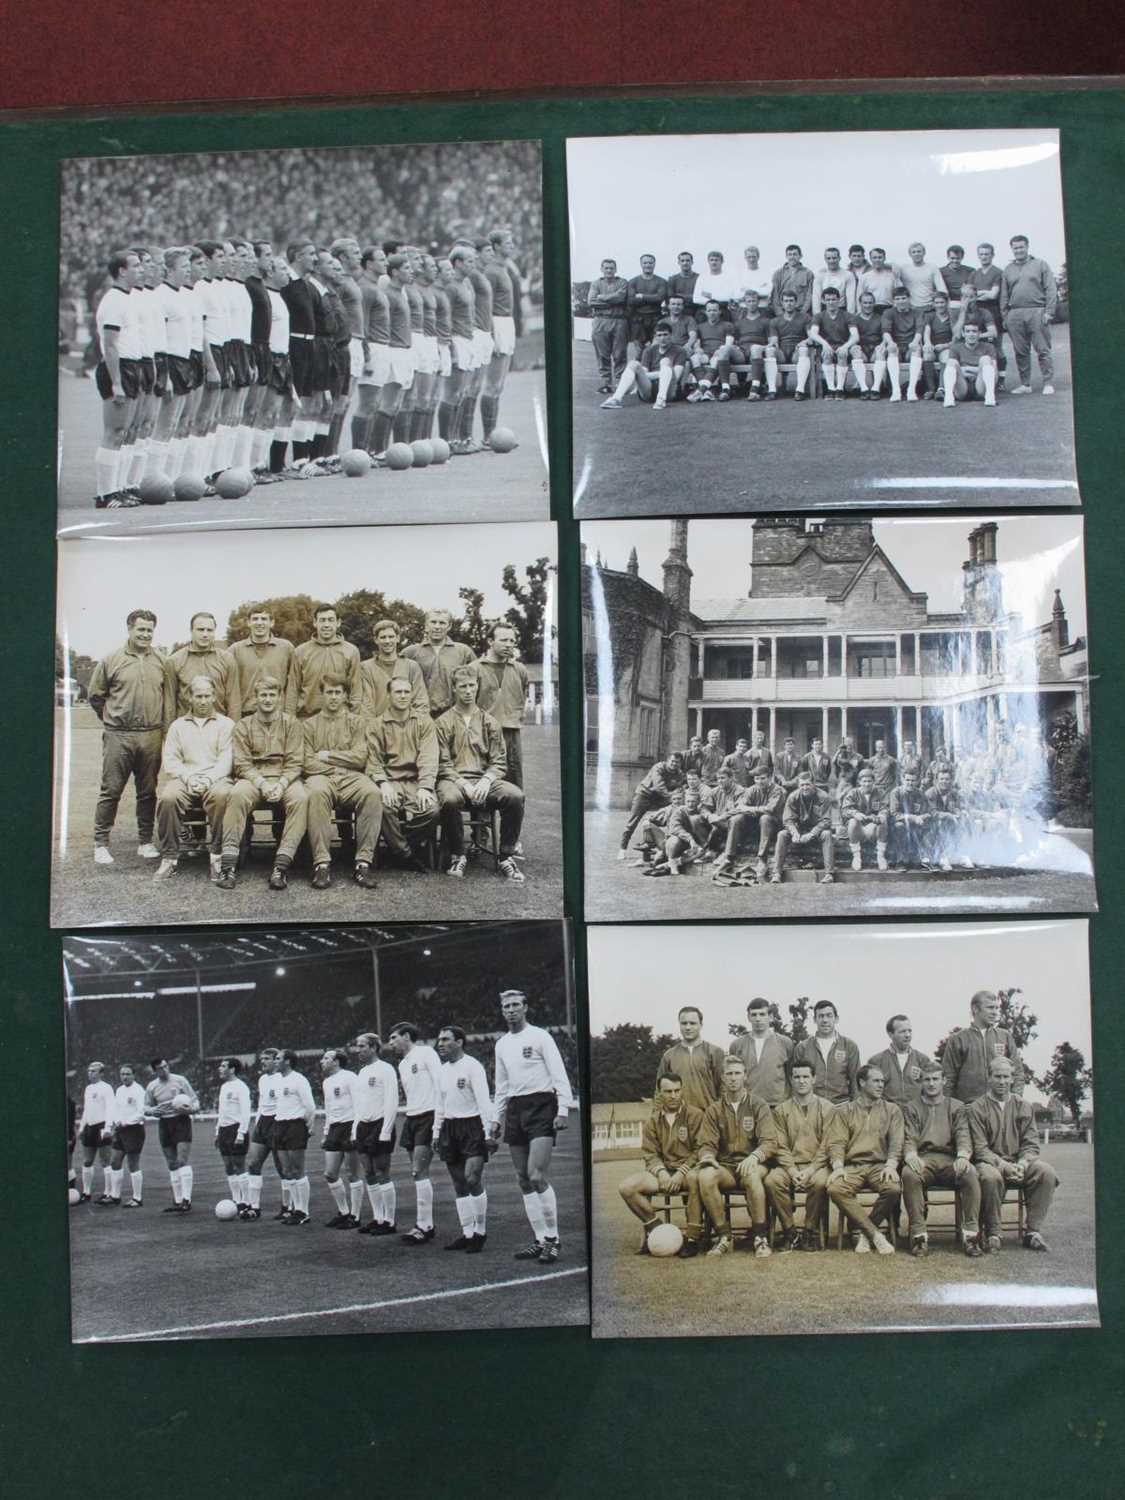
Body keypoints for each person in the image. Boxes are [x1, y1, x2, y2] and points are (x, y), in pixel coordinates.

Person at [491, 988, 574, 1265]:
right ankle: (539, 1240)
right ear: (502, 1011)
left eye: (515, 1005)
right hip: (516, 1108)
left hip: (541, 1105)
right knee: (522, 1179)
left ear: (525, 1008)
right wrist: (496, 1118)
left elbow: (558, 1074)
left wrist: (562, 1109)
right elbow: (501, 1087)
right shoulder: (501, 1044)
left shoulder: (540, 1036)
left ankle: (554, 1239)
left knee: (536, 1175)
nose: (511, 1010)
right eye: (506, 1006)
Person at [87, 608, 169, 866]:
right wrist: (113, 719)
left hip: (151, 734)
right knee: (111, 790)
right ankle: (101, 843)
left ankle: (145, 841)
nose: (145, 634)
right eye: (140, 629)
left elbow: (167, 696)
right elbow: (95, 696)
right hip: (118, 735)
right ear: (130, 629)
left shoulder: (161, 660)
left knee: (147, 791)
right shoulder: (112, 659)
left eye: (149, 630)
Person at [216, 676, 308, 891]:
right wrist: (262, 784)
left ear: (279, 697)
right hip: (253, 778)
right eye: (263, 695)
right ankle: (228, 864)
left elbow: (296, 761)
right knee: (237, 794)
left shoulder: (291, 723)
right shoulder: (243, 725)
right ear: (255, 698)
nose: (268, 699)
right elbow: (242, 763)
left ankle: (281, 865)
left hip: (285, 777)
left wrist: (282, 783)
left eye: (272, 695)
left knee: (301, 798)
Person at [435, 666, 526, 882]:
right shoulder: (442, 722)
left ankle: (505, 856)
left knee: (515, 796)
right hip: (452, 780)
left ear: (477, 687)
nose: (468, 690)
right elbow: (442, 763)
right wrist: (463, 784)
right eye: (463, 686)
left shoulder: (490, 722)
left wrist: (486, 780)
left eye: (472, 685)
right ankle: (458, 854)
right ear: (454, 689)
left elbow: (499, 761)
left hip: (485, 780)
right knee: (449, 799)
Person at [968, 1057, 1057, 1253]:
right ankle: (993, 1232)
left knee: (1046, 1172)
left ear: (1012, 1079)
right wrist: (1003, 1165)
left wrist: (1023, 1164)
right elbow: (980, 1148)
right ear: (989, 1078)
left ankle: (1032, 1231)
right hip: (990, 1162)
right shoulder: (976, 1108)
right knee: (990, 1177)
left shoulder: (1023, 1105)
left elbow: (1031, 1143)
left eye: (1006, 1077)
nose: (1002, 1081)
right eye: (997, 1076)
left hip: (1019, 1162)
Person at [302, 674, 383, 890]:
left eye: (338, 692)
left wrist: (327, 755)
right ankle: (321, 863)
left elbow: (360, 757)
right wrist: (339, 765)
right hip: (321, 777)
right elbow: (307, 762)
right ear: (322, 695)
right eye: (329, 692)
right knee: (316, 793)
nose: (334, 697)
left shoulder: (357, 722)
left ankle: (363, 863)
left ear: (345, 695)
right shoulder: (309, 725)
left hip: (352, 778)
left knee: (372, 793)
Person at [153, 675, 235, 882]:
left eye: (207, 696)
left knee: (222, 796)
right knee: (168, 798)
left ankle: (217, 856)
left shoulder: (226, 724)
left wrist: (207, 780)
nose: (203, 701)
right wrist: (189, 778)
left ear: (214, 696)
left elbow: (227, 760)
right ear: (190, 697)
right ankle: (169, 858)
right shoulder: (178, 726)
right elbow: (171, 761)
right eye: (198, 696)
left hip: (216, 778)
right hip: (185, 778)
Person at [696, 1055, 776, 1258]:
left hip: (754, 1163)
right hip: (727, 1167)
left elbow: (769, 1141)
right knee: (705, 1176)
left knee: (751, 1175)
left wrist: (755, 1157)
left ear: (745, 1076)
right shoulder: (714, 1110)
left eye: (737, 1073)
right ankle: (724, 1236)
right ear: (722, 1077)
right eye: (729, 1073)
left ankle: (760, 1237)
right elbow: (706, 1143)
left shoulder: (759, 1105)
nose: (733, 1078)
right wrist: (707, 1156)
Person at [618, 1071, 705, 1257]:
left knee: (696, 1179)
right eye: (668, 1091)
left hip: (687, 1173)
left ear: (682, 1091)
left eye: (677, 1090)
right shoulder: (652, 1120)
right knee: (627, 1187)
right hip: (663, 1174)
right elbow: (650, 1153)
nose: (673, 1096)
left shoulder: (696, 1115)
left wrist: (681, 1172)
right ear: (659, 1093)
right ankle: (658, 1229)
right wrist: (663, 1173)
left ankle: (692, 1239)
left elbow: (700, 1150)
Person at [901, 1063, 983, 1258]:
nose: (931, 1084)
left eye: (935, 1079)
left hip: (950, 1159)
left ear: (944, 1081)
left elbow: (963, 1133)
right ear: (921, 1082)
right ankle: (919, 1236)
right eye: (927, 1080)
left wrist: (963, 1155)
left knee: (970, 1173)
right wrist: (911, 1155)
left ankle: (971, 1236)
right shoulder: (911, 1107)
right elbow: (909, 1136)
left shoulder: (957, 1106)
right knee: (909, 1174)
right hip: (924, 1159)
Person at [826, 1064, 903, 1255]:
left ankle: (865, 1233)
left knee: (893, 1188)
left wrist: (892, 1164)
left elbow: (896, 1142)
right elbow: (837, 1142)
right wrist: (837, 1166)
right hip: (853, 1167)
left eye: (882, 1082)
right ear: (862, 1082)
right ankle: (875, 1235)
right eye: (875, 1081)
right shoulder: (845, 1111)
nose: (880, 1085)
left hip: (880, 1166)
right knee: (835, 1188)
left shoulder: (892, 1110)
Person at [365, 677, 440, 868]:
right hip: (390, 781)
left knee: (432, 810)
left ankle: (400, 847)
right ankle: (405, 855)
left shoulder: (424, 722)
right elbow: (373, 760)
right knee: (382, 806)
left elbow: (429, 757)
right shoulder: (377, 724)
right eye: (398, 692)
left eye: (407, 692)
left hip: (415, 781)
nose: (403, 696)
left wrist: (425, 787)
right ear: (389, 695)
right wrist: (382, 783)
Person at [92, 249, 145, 507]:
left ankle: (119, 488)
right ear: (122, 271)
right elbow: (110, 345)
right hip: (118, 368)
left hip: (131, 368)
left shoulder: (128, 298)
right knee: (113, 432)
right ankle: (105, 494)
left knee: (124, 432)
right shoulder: (113, 300)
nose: (141, 269)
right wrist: (116, 382)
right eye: (136, 266)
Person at [765, 1058, 835, 1251]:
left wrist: (812, 1169)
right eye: (797, 1077)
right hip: (790, 1165)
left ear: (814, 1079)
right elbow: (780, 1145)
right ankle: (790, 1232)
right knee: (772, 1181)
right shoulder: (781, 1110)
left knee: (820, 1182)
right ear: (791, 1080)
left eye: (806, 1076)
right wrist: (792, 1170)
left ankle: (810, 1232)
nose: (801, 1081)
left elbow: (828, 1144)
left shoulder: (827, 1108)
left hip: (818, 1165)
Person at [436, 1025, 495, 1252]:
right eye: (439, 1040)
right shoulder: (441, 1071)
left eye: (445, 1039)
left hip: (472, 1126)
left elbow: (483, 1101)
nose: (440, 1043)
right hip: (449, 1128)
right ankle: (467, 1232)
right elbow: (439, 1104)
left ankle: (480, 1232)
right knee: (459, 1183)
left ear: (459, 1042)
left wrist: (488, 1133)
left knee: (472, 1178)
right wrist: (436, 1131)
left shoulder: (473, 1066)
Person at [389, 1021, 445, 1245]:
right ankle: (425, 1224)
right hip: (412, 1117)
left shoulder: (426, 1053)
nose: (390, 1043)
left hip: (429, 1115)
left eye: (394, 1038)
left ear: (406, 1036)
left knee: (418, 1171)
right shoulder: (402, 1064)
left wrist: (440, 1121)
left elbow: (441, 1083)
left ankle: (424, 1225)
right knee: (417, 1173)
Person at [350, 1032, 400, 1235]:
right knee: (369, 1173)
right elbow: (359, 1105)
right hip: (363, 1126)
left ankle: (389, 1221)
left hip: (380, 1125)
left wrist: (386, 1130)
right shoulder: (361, 1073)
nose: (358, 1050)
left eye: (362, 1046)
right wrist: (355, 1128)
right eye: (357, 1046)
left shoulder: (386, 1069)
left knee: (382, 1172)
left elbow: (392, 1101)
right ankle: (378, 1218)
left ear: (374, 1047)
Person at [942, 990, 1024, 1105]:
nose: (995, 1012)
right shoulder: (958, 1039)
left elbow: (1018, 1073)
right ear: (975, 1009)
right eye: (990, 1008)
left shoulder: (1005, 1036)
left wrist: (1015, 1101)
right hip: (968, 1108)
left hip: (1000, 1107)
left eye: (997, 1008)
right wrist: (950, 1108)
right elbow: (948, 1079)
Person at [475, 622, 530, 790]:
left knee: (513, 784)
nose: (509, 645)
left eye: (512, 641)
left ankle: (513, 817)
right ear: (490, 641)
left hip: (511, 734)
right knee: (482, 782)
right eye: (504, 640)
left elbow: (522, 697)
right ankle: (482, 817)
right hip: (483, 734)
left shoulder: (520, 669)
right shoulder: (474, 668)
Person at [1002, 235, 1057, 395]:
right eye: (1015, 248)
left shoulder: (1040, 264)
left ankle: (1047, 383)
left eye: (1021, 247)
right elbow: (1004, 295)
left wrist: (1049, 312)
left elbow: (1051, 288)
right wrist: (1005, 316)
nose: (1018, 250)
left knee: (1043, 349)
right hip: (1015, 313)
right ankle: (1025, 384)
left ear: (1027, 247)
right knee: (1020, 351)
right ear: (1012, 249)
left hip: (1037, 310)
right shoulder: (1008, 269)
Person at [143, 1058, 199, 1213]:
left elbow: (195, 1102)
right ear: (155, 1071)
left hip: (181, 1121)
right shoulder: (152, 1086)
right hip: (164, 1124)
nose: (165, 1069)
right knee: (171, 1163)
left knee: (181, 1160)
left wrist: (190, 1110)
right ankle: (178, 1200)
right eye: (160, 1068)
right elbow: (146, 1107)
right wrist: (152, 1111)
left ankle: (186, 1200)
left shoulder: (180, 1081)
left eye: (166, 1066)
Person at [286, 604, 361, 719]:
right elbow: (292, 690)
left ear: (338, 622)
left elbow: (356, 690)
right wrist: (290, 720)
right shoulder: (300, 651)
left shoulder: (351, 651)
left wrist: (353, 718)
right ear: (315, 623)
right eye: (322, 620)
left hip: (340, 719)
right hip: (306, 718)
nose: (326, 625)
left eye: (331, 620)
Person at [164, 611, 239, 723]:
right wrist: (168, 732)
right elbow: (170, 702)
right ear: (191, 631)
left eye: (209, 630)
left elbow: (234, 700)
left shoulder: (227, 659)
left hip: (219, 727)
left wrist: (234, 730)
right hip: (186, 728)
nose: (205, 634)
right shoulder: (174, 661)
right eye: (200, 629)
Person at [402, 609, 476, 719]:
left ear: (449, 626)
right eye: (433, 622)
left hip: (455, 715)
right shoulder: (411, 652)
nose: (437, 627)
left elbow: (475, 681)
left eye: (442, 623)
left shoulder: (463, 651)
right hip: (421, 715)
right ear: (426, 625)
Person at [599, 320, 687, 410]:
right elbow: (644, 374)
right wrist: (660, 374)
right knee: (633, 364)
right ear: (655, 337)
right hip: (648, 390)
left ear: (671, 335)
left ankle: (661, 400)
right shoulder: (649, 350)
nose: (662, 338)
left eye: (665, 335)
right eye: (659, 335)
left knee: (665, 361)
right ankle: (616, 399)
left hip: (669, 391)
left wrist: (654, 374)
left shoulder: (679, 351)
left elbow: (676, 376)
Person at [714, 766, 783, 879]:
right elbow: (740, 806)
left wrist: (750, 809)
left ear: (770, 778)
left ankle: (762, 860)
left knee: (765, 818)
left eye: (762, 778)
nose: (759, 782)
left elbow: (770, 809)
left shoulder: (777, 790)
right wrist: (752, 809)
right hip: (755, 825)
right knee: (736, 818)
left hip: (774, 825)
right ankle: (728, 858)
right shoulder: (752, 789)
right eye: (756, 779)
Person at [272, 1050, 316, 1226]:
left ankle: (303, 1211)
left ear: (288, 1061)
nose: (275, 1061)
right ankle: (294, 1209)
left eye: (278, 1059)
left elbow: (310, 1106)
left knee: (298, 1169)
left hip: (295, 1126)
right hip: (280, 1125)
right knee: (287, 1171)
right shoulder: (278, 1081)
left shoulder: (299, 1079)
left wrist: (309, 1128)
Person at [654, 1006, 727, 1113]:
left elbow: (723, 1087)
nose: (688, 1027)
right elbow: (659, 1091)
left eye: (692, 1023)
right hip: (679, 1118)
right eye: (684, 1023)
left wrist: (721, 1114)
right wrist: (657, 1117)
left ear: (701, 1025)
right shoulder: (669, 1055)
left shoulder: (715, 1052)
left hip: (708, 1117)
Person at [320, 1049, 362, 1229]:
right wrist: (325, 1131)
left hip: (350, 1125)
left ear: (336, 1061)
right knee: (330, 1174)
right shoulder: (326, 1082)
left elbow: (359, 1104)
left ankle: (355, 1216)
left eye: (326, 1058)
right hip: (334, 1128)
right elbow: (329, 1109)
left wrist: (355, 1131)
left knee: (353, 1174)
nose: (322, 1061)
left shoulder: (350, 1077)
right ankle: (344, 1212)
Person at [228, 606, 294, 715]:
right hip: (247, 714)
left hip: (278, 715)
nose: (259, 623)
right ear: (248, 622)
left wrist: (289, 714)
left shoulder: (286, 648)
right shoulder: (235, 650)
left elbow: (294, 684)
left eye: (263, 619)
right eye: (255, 619)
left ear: (272, 622)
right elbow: (230, 688)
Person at [617, 751, 685, 857]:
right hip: (644, 795)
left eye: (677, 762)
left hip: (660, 798)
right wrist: (672, 795)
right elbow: (659, 786)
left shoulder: (679, 773)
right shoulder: (658, 767)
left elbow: (679, 788)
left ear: (680, 763)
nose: (674, 764)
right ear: (667, 761)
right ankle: (622, 849)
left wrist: (678, 793)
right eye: (672, 761)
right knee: (633, 822)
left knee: (672, 815)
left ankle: (657, 845)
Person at [772, 769, 835, 883]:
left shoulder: (823, 797)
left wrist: (812, 833)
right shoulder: (793, 797)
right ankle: (776, 873)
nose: (805, 787)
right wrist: (794, 832)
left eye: (807, 784)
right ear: (798, 785)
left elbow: (826, 821)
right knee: (782, 834)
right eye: (802, 785)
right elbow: (787, 819)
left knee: (827, 834)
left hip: (817, 831)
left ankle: (829, 874)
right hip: (799, 830)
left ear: (813, 784)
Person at [360, 619, 428, 721]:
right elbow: (366, 705)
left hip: (407, 728)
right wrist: (373, 730)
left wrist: (415, 727)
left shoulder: (411, 666)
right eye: (383, 637)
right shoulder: (365, 668)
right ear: (376, 639)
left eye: (391, 637)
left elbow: (421, 701)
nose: (387, 641)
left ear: (397, 638)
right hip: (378, 729)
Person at [243, 1047, 282, 1221]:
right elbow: (261, 1104)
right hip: (263, 1123)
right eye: (262, 1059)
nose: (263, 1062)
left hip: (279, 1122)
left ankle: (289, 1206)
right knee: (252, 1164)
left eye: (267, 1058)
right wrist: (257, 1123)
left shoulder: (283, 1079)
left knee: (283, 1168)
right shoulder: (262, 1079)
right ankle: (254, 1207)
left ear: (276, 1060)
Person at [792, 1001, 860, 1102]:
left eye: (829, 1016)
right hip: (812, 1106)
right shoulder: (802, 1047)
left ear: (836, 1019)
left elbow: (855, 1080)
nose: (825, 1020)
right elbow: (796, 1081)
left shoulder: (849, 1046)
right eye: (821, 1016)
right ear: (815, 1019)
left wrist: (856, 1108)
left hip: (841, 1106)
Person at [729, 997, 792, 1104]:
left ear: (771, 1017)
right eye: (754, 1015)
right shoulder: (737, 1045)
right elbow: (732, 1076)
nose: (758, 1019)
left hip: (777, 1105)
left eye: (762, 1014)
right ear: (748, 1017)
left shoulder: (785, 1042)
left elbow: (791, 1075)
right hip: (747, 1104)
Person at [867, 1015, 934, 1107]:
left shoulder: (923, 1060)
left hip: (916, 1115)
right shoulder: (876, 1061)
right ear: (890, 1034)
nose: (907, 1035)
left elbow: (931, 1090)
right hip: (887, 1115)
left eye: (909, 1031)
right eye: (902, 1031)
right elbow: (869, 1093)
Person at [214, 1057, 252, 1213]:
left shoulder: (241, 1087)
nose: (220, 1068)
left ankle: (247, 1200)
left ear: (232, 1069)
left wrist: (241, 1133)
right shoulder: (224, 1087)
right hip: (224, 1130)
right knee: (228, 1166)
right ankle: (236, 1199)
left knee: (239, 1165)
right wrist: (217, 1131)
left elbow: (246, 1111)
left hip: (236, 1129)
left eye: (223, 1066)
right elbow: (222, 1112)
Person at [105, 1064, 147, 1207]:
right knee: (115, 1161)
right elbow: (116, 1108)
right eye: (122, 1074)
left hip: (134, 1130)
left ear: (134, 1075)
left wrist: (126, 1122)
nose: (125, 1077)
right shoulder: (119, 1090)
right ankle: (115, 1196)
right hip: (120, 1130)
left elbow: (141, 1113)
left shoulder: (139, 1090)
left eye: (128, 1074)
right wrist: (116, 1121)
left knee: (133, 1163)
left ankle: (137, 1198)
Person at [587, 258, 629, 393]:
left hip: (619, 320)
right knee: (602, 354)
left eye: (611, 268)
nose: (609, 270)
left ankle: (620, 383)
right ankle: (606, 383)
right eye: (606, 268)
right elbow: (591, 301)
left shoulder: (622, 282)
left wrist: (602, 297)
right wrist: (612, 299)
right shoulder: (596, 283)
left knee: (619, 353)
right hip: (601, 320)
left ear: (615, 269)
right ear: (602, 269)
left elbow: (621, 298)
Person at [76, 1062, 116, 1204]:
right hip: (90, 1127)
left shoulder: (107, 1088)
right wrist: (81, 1128)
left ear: (101, 1073)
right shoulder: (88, 1088)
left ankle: (108, 1193)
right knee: (87, 1161)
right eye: (89, 1071)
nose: (90, 1073)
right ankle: (86, 1193)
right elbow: (87, 1110)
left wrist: (107, 1128)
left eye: (94, 1071)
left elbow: (111, 1109)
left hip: (102, 1126)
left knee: (105, 1161)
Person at [808, 285, 855, 399]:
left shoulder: (847, 315)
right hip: (827, 347)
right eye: (828, 300)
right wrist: (825, 344)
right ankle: (830, 389)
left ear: (839, 300)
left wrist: (845, 346)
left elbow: (855, 336)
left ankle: (840, 389)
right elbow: (813, 333)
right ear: (823, 301)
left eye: (833, 299)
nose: (831, 302)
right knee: (826, 354)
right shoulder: (819, 316)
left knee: (842, 354)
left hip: (842, 346)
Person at [879, 286, 925, 401]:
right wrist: (890, 342)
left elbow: (919, 330)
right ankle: (896, 390)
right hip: (897, 346)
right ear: (894, 301)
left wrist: (915, 342)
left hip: (910, 345)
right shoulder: (888, 312)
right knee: (891, 349)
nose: (901, 301)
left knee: (917, 349)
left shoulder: (917, 312)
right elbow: (886, 331)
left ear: (909, 299)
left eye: (903, 298)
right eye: (898, 299)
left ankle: (911, 390)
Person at [687, 300, 739, 401]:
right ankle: (707, 391)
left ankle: (701, 390)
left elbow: (729, 343)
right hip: (706, 353)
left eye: (715, 310)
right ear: (705, 312)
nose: (712, 313)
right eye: (709, 310)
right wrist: (698, 349)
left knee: (716, 359)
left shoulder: (727, 325)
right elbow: (697, 344)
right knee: (694, 358)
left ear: (720, 312)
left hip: (720, 354)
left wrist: (720, 350)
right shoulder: (700, 326)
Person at [764, 289, 812, 399]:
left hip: (797, 350)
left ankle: (800, 390)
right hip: (782, 351)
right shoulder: (775, 321)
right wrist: (773, 345)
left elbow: (811, 337)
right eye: (786, 301)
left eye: (791, 301)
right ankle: (772, 390)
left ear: (796, 302)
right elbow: (774, 340)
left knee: (804, 349)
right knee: (770, 350)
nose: (789, 304)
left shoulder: (805, 317)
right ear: (782, 303)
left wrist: (804, 342)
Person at [940, 320, 998, 409]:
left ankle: (990, 397)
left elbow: (995, 374)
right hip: (963, 386)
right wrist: (978, 370)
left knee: (985, 359)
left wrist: (967, 369)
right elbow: (954, 369)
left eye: (974, 331)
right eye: (968, 331)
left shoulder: (988, 347)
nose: (971, 334)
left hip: (981, 386)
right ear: (963, 334)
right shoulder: (956, 348)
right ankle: (949, 397)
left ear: (979, 333)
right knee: (951, 362)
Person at [841, 767, 890, 871]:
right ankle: (856, 856)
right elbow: (845, 810)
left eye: (869, 781)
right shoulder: (853, 793)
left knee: (883, 820)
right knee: (853, 821)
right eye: (864, 781)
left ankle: (880, 856)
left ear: (873, 781)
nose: (867, 784)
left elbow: (885, 808)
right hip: (859, 829)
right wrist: (855, 813)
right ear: (859, 782)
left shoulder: (880, 792)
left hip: (874, 828)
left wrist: (881, 815)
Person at [926, 765, 975, 871]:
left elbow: (957, 807)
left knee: (965, 821)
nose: (944, 781)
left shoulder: (953, 793)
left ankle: (962, 854)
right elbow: (932, 813)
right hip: (930, 825)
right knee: (942, 822)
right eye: (942, 779)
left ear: (951, 780)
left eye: (947, 779)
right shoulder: (931, 793)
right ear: (936, 780)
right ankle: (943, 857)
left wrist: (961, 812)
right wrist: (949, 815)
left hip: (949, 821)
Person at [888, 768, 933, 868]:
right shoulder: (896, 792)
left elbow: (928, 812)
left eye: (913, 780)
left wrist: (922, 816)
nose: (910, 783)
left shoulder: (920, 794)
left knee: (928, 826)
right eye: (907, 780)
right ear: (902, 779)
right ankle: (900, 860)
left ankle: (921, 857)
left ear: (917, 781)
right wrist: (913, 817)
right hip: (898, 824)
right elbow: (894, 814)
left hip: (914, 825)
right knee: (899, 826)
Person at [730, 290, 772, 399]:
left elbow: (771, 340)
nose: (752, 303)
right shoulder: (739, 322)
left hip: (758, 351)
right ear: (745, 303)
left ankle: (756, 387)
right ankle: (740, 385)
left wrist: (764, 347)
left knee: (755, 349)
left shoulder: (766, 321)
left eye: (754, 301)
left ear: (758, 302)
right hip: (743, 352)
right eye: (749, 301)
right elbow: (734, 340)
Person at [625, 253, 668, 355]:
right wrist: (652, 297)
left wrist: (642, 296)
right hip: (638, 320)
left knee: (656, 349)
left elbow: (660, 298)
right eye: (645, 263)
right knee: (638, 351)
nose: (648, 265)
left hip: (656, 318)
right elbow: (631, 300)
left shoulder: (661, 281)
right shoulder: (633, 281)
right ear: (641, 264)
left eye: (650, 262)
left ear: (654, 264)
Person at [849, 289, 887, 398]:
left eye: (870, 302)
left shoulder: (880, 318)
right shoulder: (854, 319)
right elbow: (853, 337)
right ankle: (864, 389)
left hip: (875, 348)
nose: (868, 305)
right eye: (865, 303)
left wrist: (883, 344)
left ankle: (875, 389)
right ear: (860, 303)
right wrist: (855, 346)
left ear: (874, 303)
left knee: (881, 351)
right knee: (855, 350)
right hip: (862, 349)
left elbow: (885, 334)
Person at [894, 242, 948, 311]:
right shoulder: (904, 268)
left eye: (919, 251)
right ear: (910, 254)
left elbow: (941, 287)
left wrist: (940, 304)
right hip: (911, 308)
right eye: (914, 252)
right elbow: (895, 281)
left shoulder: (932, 267)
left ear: (924, 253)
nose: (916, 254)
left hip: (929, 306)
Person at [770, 244, 813, 316]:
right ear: (786, 256)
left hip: (801, 312)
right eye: (789, 254)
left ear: (800, 256)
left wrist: (802, 314)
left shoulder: (808, 273)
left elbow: (809, 296)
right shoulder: (778, 273)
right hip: (783, 313)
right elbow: (775, 296)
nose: (792, 257)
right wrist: (780, 314)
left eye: (795, 254)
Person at [853, 247, 896, 316]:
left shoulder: (892, 276)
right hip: (870, 310)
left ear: (884, 258)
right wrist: (860, 313)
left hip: (888, 310)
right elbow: (859, 296)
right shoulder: (864, 277)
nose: (877, 260)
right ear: (870, 259)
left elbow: (897, 295)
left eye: (880, 257)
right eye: (874, 257)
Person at [666, 250, 699, 315]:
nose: (685, 263)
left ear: (692, 262)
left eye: (687, 260)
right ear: (679, 262)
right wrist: (692, 296)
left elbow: (699, 297)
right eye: (682, 261)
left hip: (695, 309)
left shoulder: (699, 278)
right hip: (677, 311)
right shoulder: (672, 279)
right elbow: (670, 298)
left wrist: (679, 295)